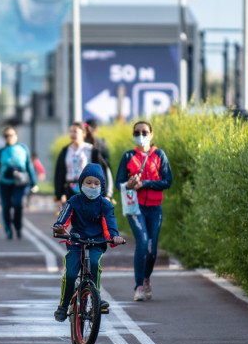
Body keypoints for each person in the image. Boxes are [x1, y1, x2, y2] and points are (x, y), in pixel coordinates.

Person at [52, 163, 124, 322]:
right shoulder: (73, 201)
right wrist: (59, 228)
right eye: (88, 182)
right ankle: (63, 305)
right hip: (76, 241)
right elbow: (63, 219)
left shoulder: (105, 205)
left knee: (94, 265)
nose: (92, 186)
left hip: (97, 242)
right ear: (81, 184)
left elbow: (110, 223)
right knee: (70, 274)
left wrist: (114, 236)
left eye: (96, 183)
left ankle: (96, 296)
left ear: (102, 186)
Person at [115, 120, 172, 301]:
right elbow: (118, 183)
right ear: (133, 135)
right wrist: (129, 184)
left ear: (151, 134)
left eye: (144, 132)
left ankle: (146, 278)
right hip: (135, 207)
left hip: (155, 208)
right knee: (142, 242)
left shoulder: (159, 155)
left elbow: (167, 181)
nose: (141, 135)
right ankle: (139, 286)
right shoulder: (128, 156)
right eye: (137, 132)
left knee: (152, 249)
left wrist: (145, 184)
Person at [53, 122, 112, 210]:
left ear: (83, 133)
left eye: (75, 131)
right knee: (75, 220)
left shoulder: (91, 150)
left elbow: (102, 171)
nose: (72, 134)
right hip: (71, 189)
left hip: (89, 189)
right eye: (71, 131)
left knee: (88, 218)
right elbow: (59, 174)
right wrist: (59, 195)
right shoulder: (65, 151)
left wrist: (105, 194)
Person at [0, 126, 36, 240]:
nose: (9, 137)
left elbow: (29, 165)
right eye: (6, 136)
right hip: (4, 183)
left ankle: (18, 227)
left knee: (18, 204)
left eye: (11, 135)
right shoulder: (1, 151)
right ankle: (8, 230)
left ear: (16, 136)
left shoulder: (23, 148)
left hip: (20, 183)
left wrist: (33, 182)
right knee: (5, 207)